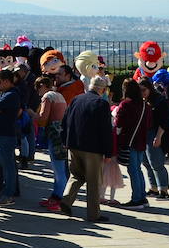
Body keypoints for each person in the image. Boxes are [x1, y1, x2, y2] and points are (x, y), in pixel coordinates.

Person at [58, 76, 115, 224]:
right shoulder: (102, 103)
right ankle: (93, 214)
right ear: (102, 89)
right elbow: (105, 130)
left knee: (76, 175)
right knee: (93, 182)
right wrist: (108, 152)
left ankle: (66, 199)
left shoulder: (76, 99)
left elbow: (65, 121)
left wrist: (65, 140)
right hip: (93, 149)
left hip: (73, 145)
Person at [114, 79, 152, 209]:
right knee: (138, 170)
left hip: (129, 141)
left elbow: (119, 124)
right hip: (141, 141)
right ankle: (142, 197)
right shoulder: (145, 105)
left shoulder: (126, 104)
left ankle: (136, 199)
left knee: (133, 171)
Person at [35, 76, 69, 211]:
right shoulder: (59, 95)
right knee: (60, 167)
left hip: (54, 134)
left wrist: (32, 114)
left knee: (58, 169)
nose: (37, 91)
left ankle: (60, 199)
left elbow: (43, 118)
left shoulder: (47, 97)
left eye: (38, 87)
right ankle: (55, 197)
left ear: (43, 85)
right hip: (62, 133)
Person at [0, 69, 21, 205]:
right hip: (2, 133)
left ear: (7, 81)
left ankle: (8, 194)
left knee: (8, 166)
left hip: (5, 134)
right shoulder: (4, 93)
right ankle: (7, 191)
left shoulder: (11, 95)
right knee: (6, 165)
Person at [139, 79, 169, 200]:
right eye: (139, 90)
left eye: (144, 90)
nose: (141, 92)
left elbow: (164, 121)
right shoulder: (143, 101)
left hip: (155, 132)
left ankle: (163, 189)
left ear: (149, 88)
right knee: (146, 162)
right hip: (145, 133)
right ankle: (153, 187)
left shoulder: (160, 101)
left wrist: (158, 137)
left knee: (156, 163)